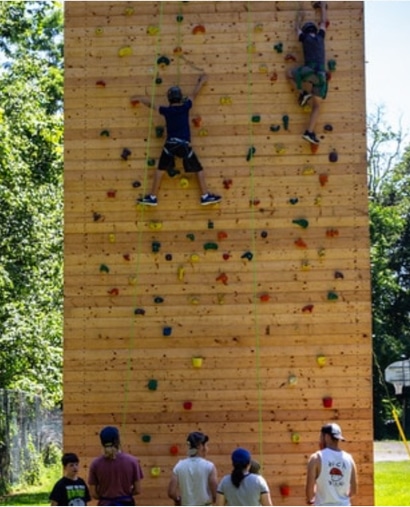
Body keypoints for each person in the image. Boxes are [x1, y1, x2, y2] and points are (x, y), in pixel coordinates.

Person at [133, 74, 222, 206]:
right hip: (184, 145)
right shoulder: (185, 107)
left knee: (160, 170)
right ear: (180, 97)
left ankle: (152, 197)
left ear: (169, 99)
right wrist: (201, 81)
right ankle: (205, 195)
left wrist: (140, 99)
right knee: (198, 169)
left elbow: (152, 105)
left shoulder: (167, 111)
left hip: (171, 145)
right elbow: (194, 94)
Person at [288, 1, 328, 145]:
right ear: (314, 30)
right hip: (321, 76)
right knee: (316, 106)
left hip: (309, 71)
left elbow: (296, 28)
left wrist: (298, 17)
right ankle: (309, 132)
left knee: (290, 74)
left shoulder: (304, 38)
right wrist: (322, 6)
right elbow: (323, 22)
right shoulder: (320, 37)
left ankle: (303, 93)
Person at [88, 426, 144, 506]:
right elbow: (137, 490)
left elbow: (93, 493)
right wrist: (125, 495)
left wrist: (106, 497)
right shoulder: (132, 461)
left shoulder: (95, 464)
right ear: (118, 441)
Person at [305, 423, 358, 506]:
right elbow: (353, 491)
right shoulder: (349, 458)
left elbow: (309, 492)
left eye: (321, 436)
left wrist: (311, 499)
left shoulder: (316, 458)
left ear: (326, 437)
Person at [167, 431, 218, 506]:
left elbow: (171, 492)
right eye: (206, 445)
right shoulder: (209, 466)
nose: (207, 449)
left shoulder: (179, 466)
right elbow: (215, 495)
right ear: (200, 446)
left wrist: (177, 500)